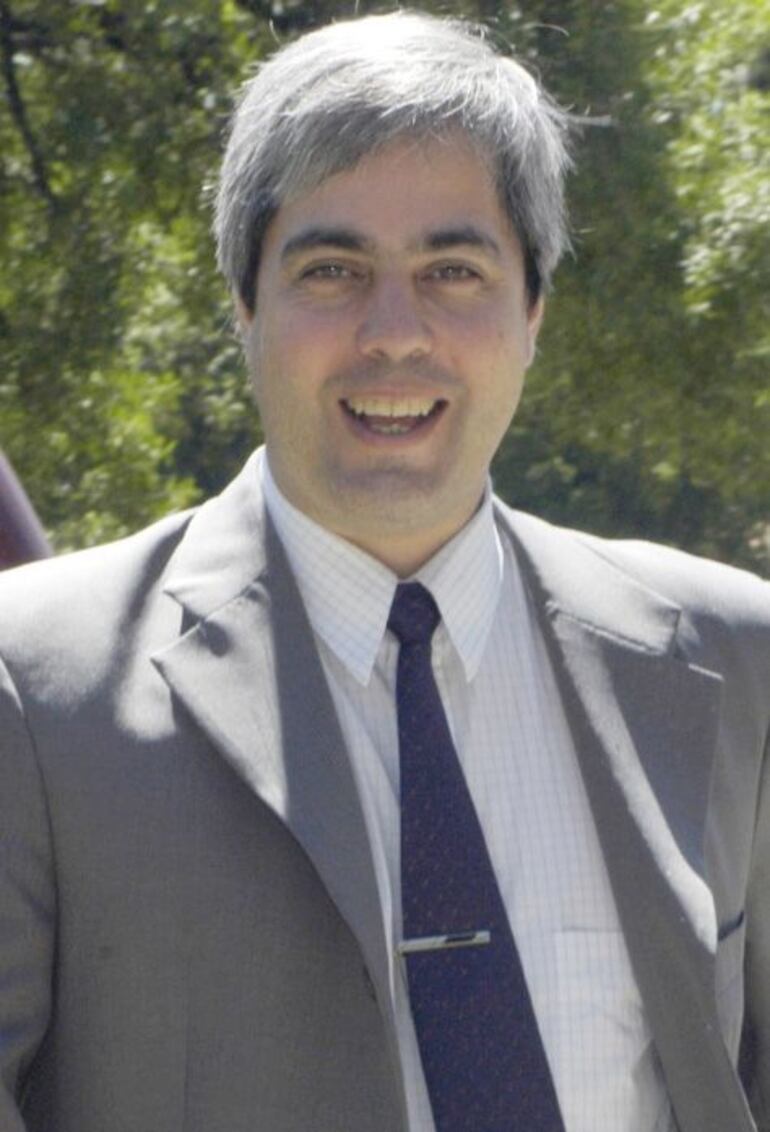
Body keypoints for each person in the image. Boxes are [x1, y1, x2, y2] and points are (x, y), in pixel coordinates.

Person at [0, 11, 768, 1132]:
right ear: (244, 303)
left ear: (532, 310)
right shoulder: (31, 693)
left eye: (453, 270)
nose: (394, 332)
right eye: (332, 269)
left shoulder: (733, 661)